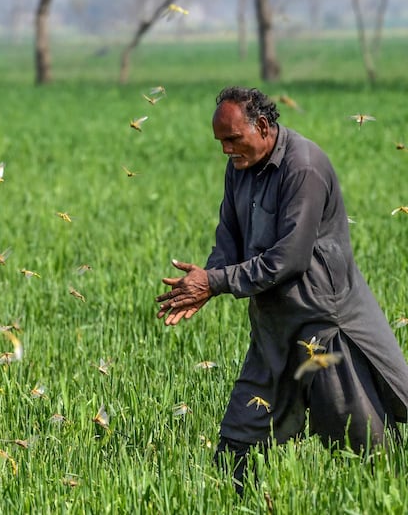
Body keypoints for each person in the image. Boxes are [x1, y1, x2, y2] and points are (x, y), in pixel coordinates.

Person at [155, 86, 408, 495]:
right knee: (239, 441)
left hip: (324, 326)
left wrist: (215, 282)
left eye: (232, 139)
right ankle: (238, 504)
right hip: (274, 327)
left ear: (264, 126)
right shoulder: (239, 166)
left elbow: (289, 258)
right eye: (220, 142)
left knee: (361, 448)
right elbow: (229, 235)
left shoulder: (303, 167)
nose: (226, 151)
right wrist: (204, 281)